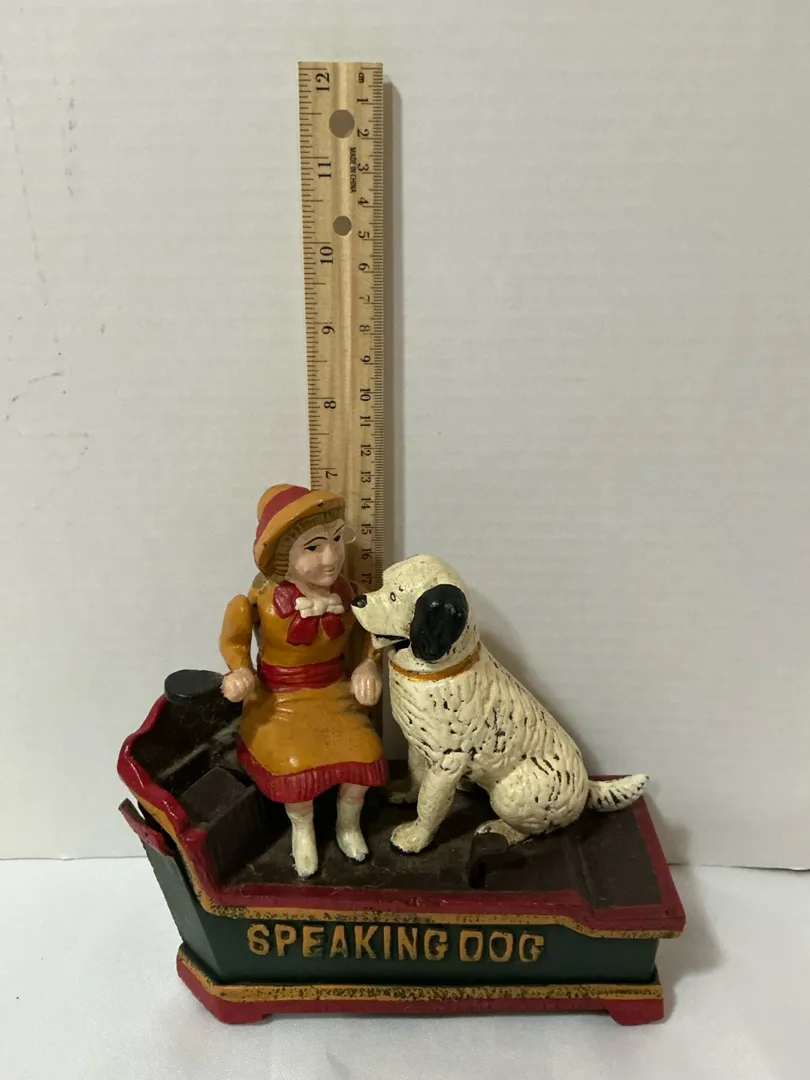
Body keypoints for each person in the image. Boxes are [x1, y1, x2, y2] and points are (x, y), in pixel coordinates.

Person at [219, 484, 385, 878]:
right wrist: (240, 671)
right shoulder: (258, 601)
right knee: (295, 762)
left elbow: (372, 635)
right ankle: (303, 829)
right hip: (279, 698)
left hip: (334, 693)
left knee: (365, 751)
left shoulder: (350, 594)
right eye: (313, 547)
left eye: (336, 540)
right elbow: (235, 640)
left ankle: (348, 826)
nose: (331, 557)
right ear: (282, 557)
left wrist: (367, 666)